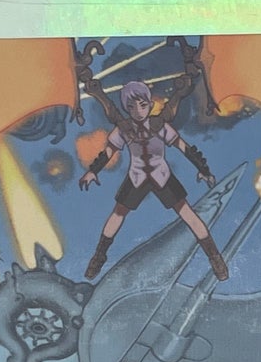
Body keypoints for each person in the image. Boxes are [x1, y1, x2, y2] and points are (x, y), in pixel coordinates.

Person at [77, 57, 229, 282]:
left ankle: (214, 257)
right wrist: (93, 171)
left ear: (149, 104)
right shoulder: (123, 129)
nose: (137, 111)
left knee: (188, 214)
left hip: (162, 175)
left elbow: (183, 147)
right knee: (118, 214)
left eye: (142, 105)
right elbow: (108, 152)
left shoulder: (160, 126)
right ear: (126, 108)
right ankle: (99, 256)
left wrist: (202, 168)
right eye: (131, 107)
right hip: (137, 177)